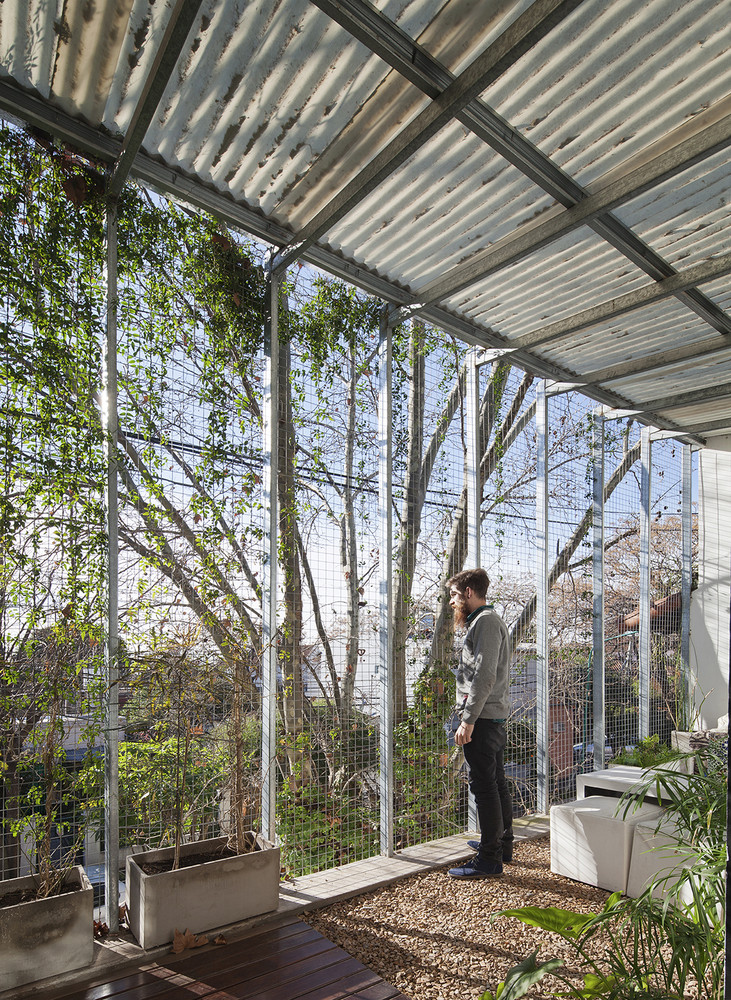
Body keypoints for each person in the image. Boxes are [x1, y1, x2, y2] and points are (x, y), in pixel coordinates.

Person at [446, 568, 513, 878]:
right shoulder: (488, 621)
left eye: (455, 596)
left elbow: (484, 676)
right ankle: (502, 845)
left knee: (484, 787)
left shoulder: (485, 623)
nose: (452, 602)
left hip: (482, 718)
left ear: (469, 593)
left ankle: (489, 859)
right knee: (496, 782)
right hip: (491, 715)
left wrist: (468, 721)